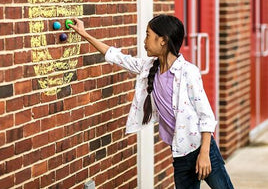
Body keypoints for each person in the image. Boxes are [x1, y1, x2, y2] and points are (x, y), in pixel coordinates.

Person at [70, 14, 234, 189]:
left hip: (202, 149)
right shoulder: (149, 68)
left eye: (148, 35)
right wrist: (84, 34)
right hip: (180, 154)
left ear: (162, 40)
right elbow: (116, 57)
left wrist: (204, 154)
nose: (144, 40)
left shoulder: (188, 72)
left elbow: (206, 116)